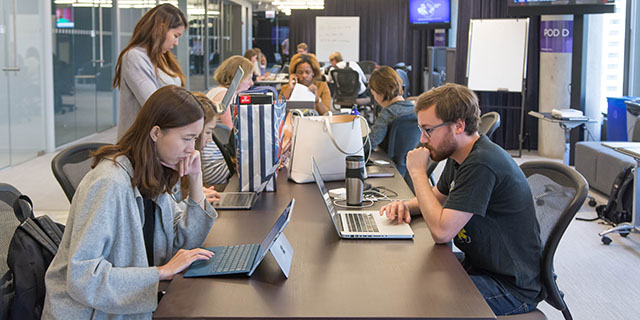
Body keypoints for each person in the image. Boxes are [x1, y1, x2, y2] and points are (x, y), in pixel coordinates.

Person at [42, 86, 217, 319]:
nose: (191, 150)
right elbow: (83, 277)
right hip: (93, 313)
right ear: (156, 133)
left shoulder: (151, 172)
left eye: (195, 139)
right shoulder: (109, 182)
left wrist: (195, 180)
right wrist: (160, 273)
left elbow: (183, 242)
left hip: (127, 307)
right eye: (187, 139)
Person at [379, 83, 543, 316]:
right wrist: (404, 206)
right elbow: (437, 198)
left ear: (458, 126)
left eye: (428, 130)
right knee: (406, 275)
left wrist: (417, 173)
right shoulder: (459, 156)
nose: (423, 139)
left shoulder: (481, 164)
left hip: (510, 287)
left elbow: (441, 232)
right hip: (480, 265)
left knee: (419, 300)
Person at [113, 3, 187, 139]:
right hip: (140, 143)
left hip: (163, 139)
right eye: (176, 35)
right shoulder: (134, 57)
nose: (176, 43)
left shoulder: (161, 58)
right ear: (161, 29)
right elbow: (154, 104)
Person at [203, 55, 254, 186]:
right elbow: (233, 136)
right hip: (216, 167)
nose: (251, 83)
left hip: (207, 163)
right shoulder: (226, 96)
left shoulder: (215, 91)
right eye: (248, 78)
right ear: (235, 77)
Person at [367, 66, 415, 150]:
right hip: (412, 160)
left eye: (374, 94)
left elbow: (371, 143)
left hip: (389, 161)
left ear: (380, 93)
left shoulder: (387, 113)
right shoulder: (414, 109)